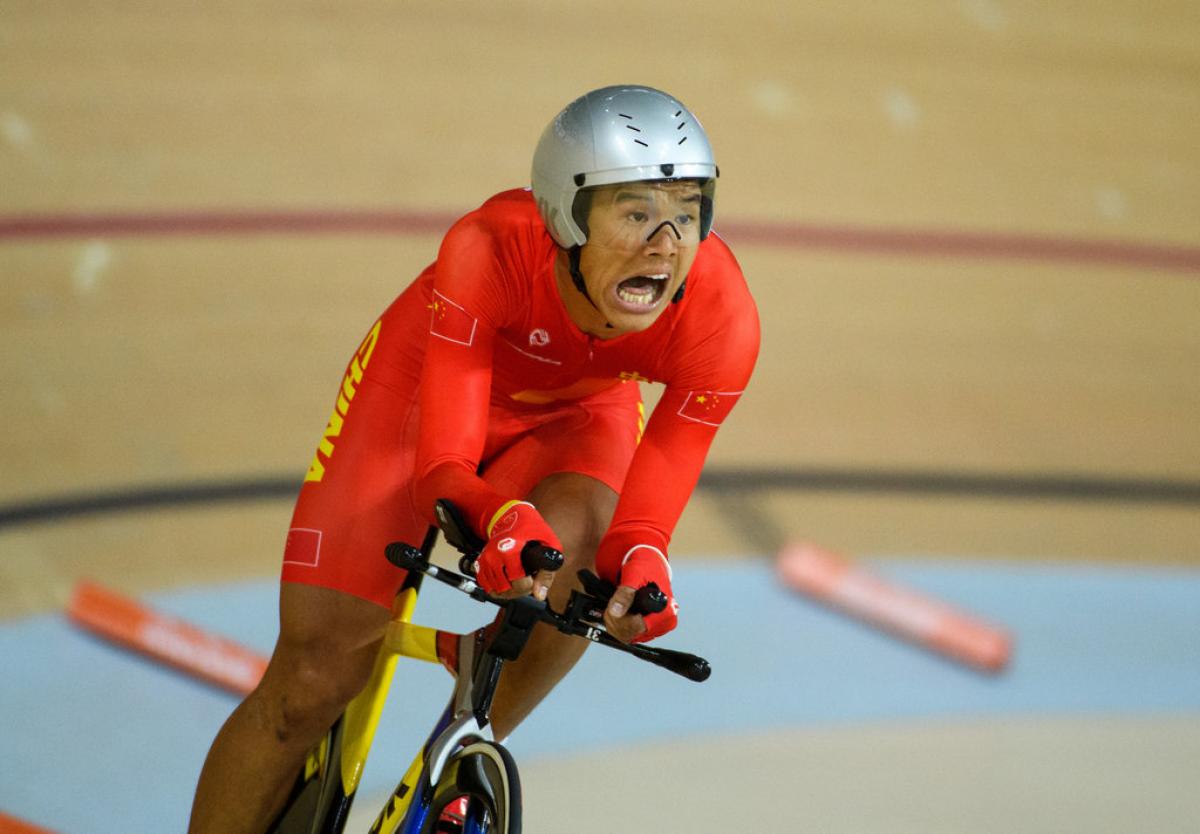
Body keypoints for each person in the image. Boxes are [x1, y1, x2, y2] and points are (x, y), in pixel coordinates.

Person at [187, 84, 759, 833]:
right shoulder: (488, 248)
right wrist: (499, 518)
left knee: (582, 553)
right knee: (310, 680)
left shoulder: (721, 317)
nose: (667, 243)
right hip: (424, 387)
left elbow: (646, 521)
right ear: (566, 214)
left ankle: (464, 745)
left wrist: (641, 565)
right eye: (637, 213)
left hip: (581, 410)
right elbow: (443, 473)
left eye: (688, 214)